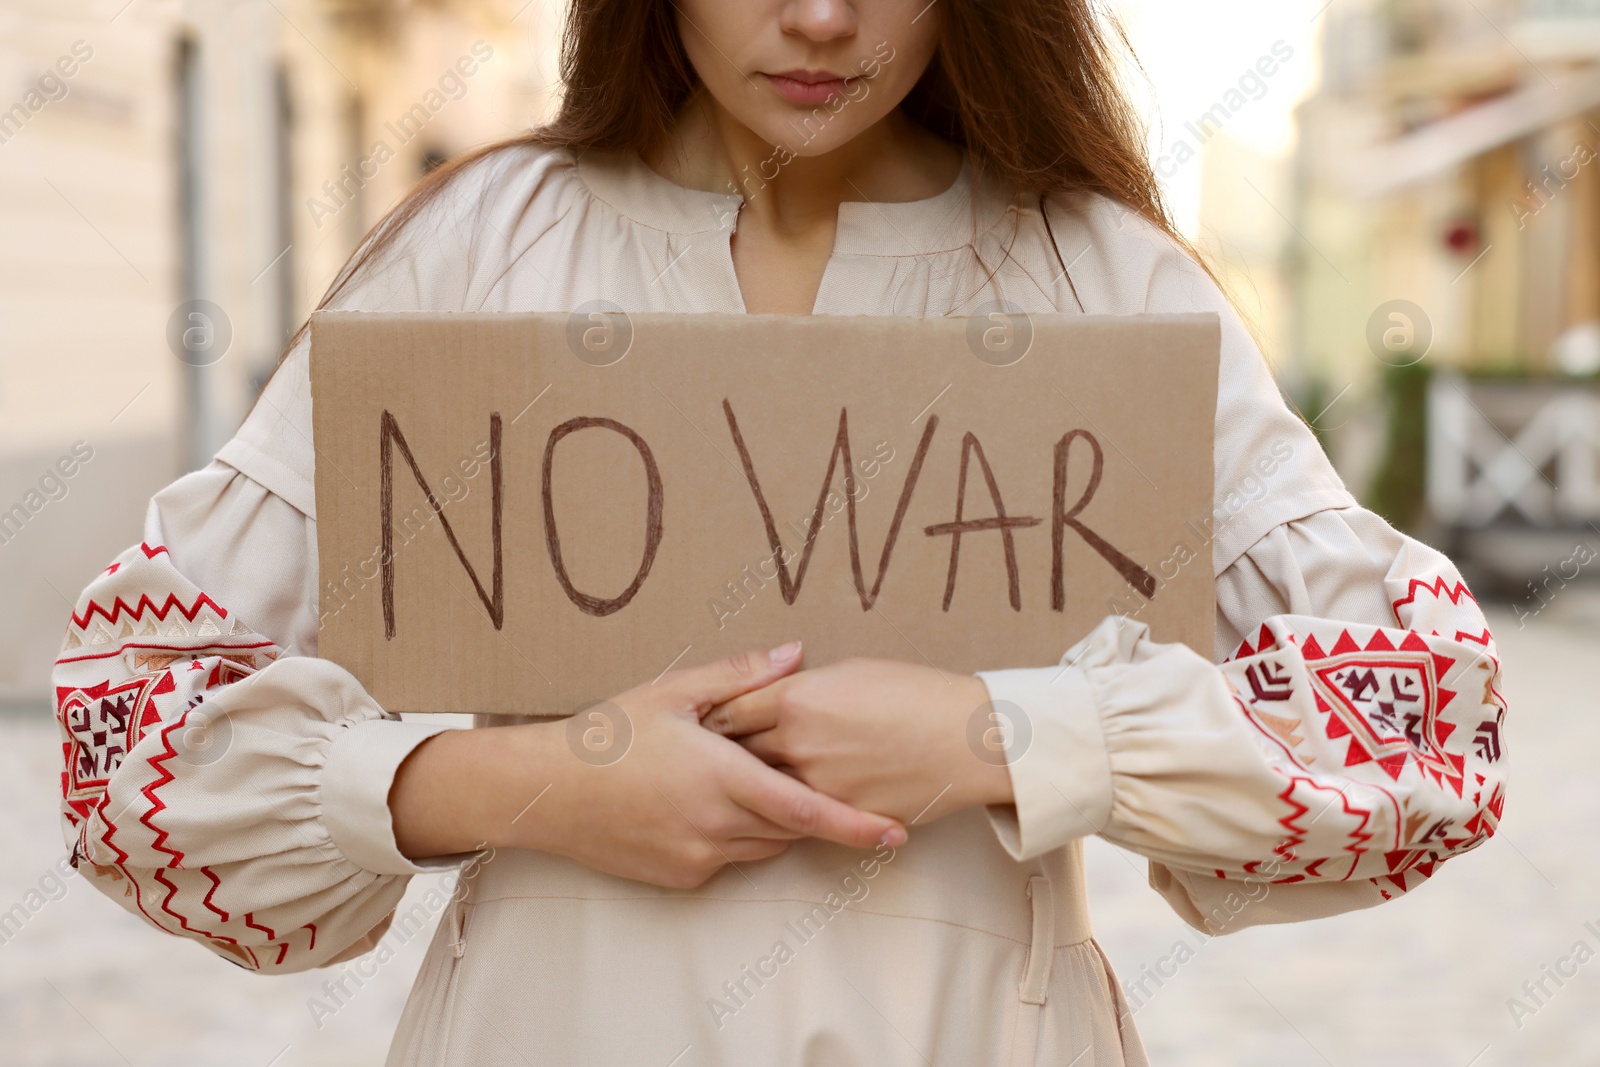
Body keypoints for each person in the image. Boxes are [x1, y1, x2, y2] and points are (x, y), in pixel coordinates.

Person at [51, 1, 1508, 1063]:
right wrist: (532, 782)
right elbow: (132, 734)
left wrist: (1000, 737)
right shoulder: (481, 248)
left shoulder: (1098, 277)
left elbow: (1421, 732)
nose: (821, 18)